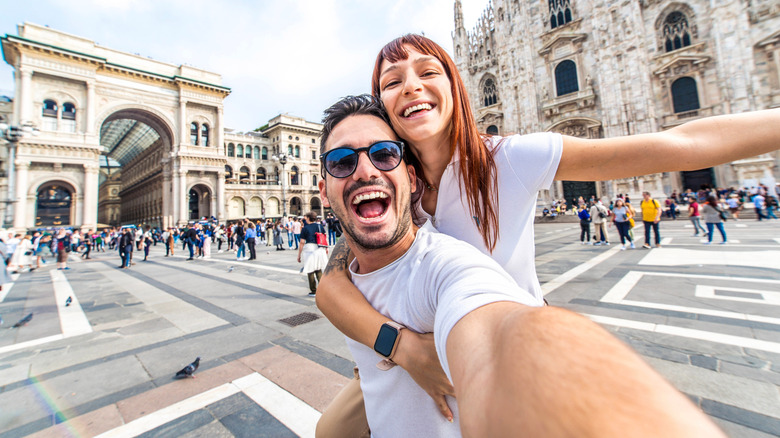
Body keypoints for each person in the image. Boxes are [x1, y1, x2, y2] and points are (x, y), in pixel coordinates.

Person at [315, 34, 780, 433]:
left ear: (455, 85)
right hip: (409, 343)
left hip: (492, 339)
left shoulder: (508, 160)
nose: (412, 86)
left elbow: (681, 144)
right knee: (330, 430)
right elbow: (333, 287)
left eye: (427, 72)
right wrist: (403, 348)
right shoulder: (389, 178)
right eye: (392, 81)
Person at [297, 211, 329, 297]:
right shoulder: (319, 226)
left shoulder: (305, 228)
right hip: (319, 248)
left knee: (310, 270)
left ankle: (313, 291)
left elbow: (302, 242)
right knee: (318, 269)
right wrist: (326, 248)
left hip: (310, 249)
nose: (305, 218)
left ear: (308, 218)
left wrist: (299, 254)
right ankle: (323, 289)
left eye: (306, 217)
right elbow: (324, 237)